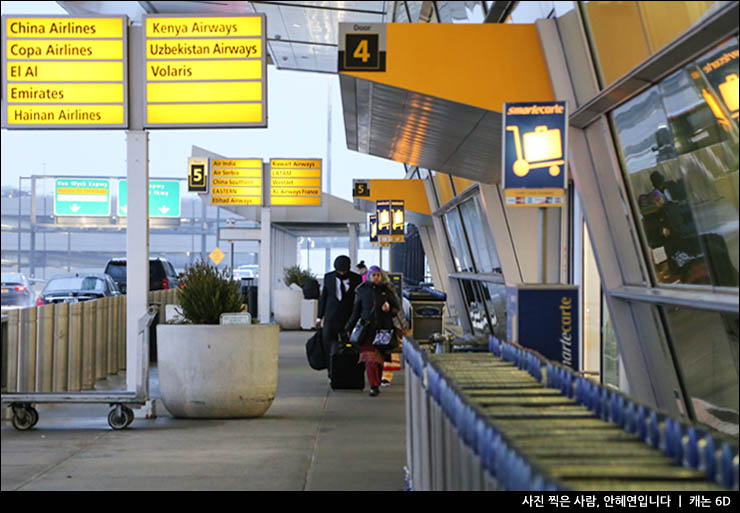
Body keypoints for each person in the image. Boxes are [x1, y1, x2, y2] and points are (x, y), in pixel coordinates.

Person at [344, 266, 400, 397]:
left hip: (383, 329)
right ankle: (373, 385)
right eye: (373, 275)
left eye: (378, 275)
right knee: (370, 359)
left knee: (379, 359)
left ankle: (377, 382)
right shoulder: (362, 291)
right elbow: (356, 311)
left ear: (381, 276)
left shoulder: (387, 290)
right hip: (367, 330)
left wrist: (389, 309)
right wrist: (348, 327)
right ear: (369, 276)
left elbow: (396, 309)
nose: (376, 277)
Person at [316, 255, 362, 377]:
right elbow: (324, 298)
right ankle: (331, 371)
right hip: (330, 317)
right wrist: (319, 317)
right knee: (327, 344)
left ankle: (347, 370)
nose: (341, 273)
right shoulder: (328, 277)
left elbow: (359, 300)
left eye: (344, 271)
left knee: (348, 346)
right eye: (339, 271)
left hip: (348, 318)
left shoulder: (356, 278)